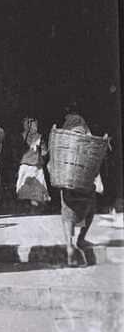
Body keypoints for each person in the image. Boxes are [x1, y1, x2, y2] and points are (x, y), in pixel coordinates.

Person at [59, 112, 103, 267]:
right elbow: (94, 161)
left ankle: (69, 245)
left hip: (68, 181)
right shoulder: (87, 139)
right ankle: (81, 238)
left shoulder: (62, 141)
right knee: (90, 210)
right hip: (84, 183)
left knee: (67, 213)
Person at [16, 117, 51, 207]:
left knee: (25, 185)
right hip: (34, 164)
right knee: (35, 186)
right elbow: (44, 152)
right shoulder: (36, 137)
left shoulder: (22, 136)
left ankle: (28, 204)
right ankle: (33, 204)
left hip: (28, 164)